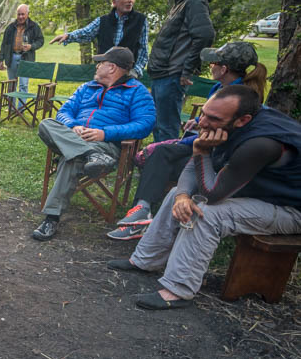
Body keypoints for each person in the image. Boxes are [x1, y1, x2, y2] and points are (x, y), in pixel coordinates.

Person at [108, 85, 301, 310]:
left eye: (213, 118)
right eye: (204, 113)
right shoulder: (229, 122)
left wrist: (201, 152)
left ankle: (178, 289)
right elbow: (194, 171)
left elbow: (212, 193)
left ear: (243, 120)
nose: (202, 122)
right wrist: (181, 195)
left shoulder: (261, 144)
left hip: (292, 210)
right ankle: (144, 260)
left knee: (206, 213)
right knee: (176, 194)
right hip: (265, 196)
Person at [108, 41, 268, 240]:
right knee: (162, 156)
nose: (211, 67)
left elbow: (212, 138)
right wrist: (199, 120)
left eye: (213, 63)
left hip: (219, 160)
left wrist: (175, 143)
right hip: (209, 149)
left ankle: (142, 213)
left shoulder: (237, 97)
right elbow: (214, 124)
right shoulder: (222, 87)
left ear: (223, 68)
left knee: (161, 154)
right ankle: (143, 212)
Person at [32, 47, 156, 241]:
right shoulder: (86, 87)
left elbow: (145, 123)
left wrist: (105, 133)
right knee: (47, 124)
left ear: (112, 67)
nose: (97, 66)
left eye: (101, 63)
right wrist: (73, 126)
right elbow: (64, 111)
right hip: (75, 140)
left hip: (106, 146)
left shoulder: (136, 92)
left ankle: (51, 218)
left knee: (71, 158)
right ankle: (90, 155)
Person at [147, 0, 215, 143]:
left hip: (172, 74)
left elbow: (205, 35)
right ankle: (157, 165)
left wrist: (187, 68)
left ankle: (167, 169)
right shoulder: (183, 1)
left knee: (166, 127)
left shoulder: (194, 1)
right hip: (164, 73)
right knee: (159, 124)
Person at [50, 0, 149, 78]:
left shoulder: (141, 20)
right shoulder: (103, 21)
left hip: (127, 74)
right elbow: (86, 32)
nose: (130, 1)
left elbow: (143, 50)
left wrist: (136, 71)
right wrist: (68, 36)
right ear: (114, 2)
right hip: (105, 72)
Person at [0, 4, 44, 110]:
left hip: (26, 58)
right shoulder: (10, 27)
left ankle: (21, 109)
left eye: (23, 14)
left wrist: (31, 46)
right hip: (12, 56)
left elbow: (41, 40)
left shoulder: (34, 26)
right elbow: (4, 44)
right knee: (11, 83)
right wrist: (1, 59)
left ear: (27, 14)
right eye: (19, 14)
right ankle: (11, 107)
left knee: (23, 84)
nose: (21, 17)